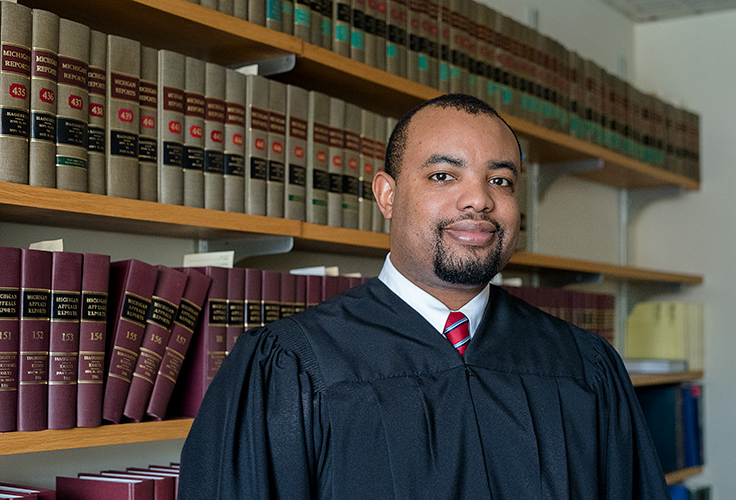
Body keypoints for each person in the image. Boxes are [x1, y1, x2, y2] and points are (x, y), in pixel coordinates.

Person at [179, 94, 670, 499]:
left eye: (500, 180)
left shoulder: (583, 365)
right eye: (443, 176)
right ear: (387, 196)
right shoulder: (290, 366)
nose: (478, 198)